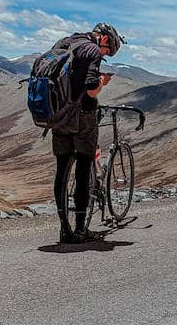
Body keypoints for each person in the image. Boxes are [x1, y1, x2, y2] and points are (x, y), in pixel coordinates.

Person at [51, 22, 125, 244]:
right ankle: (81, 229)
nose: (104, 54)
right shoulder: (91, 49)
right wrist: (102, 80)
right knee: (84, 167)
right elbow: (91, 89)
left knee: (62, 167)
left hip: (59, 115)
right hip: (82, 116)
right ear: (103, 39)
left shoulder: (64, 43)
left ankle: (64, 229)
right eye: (107, 50)